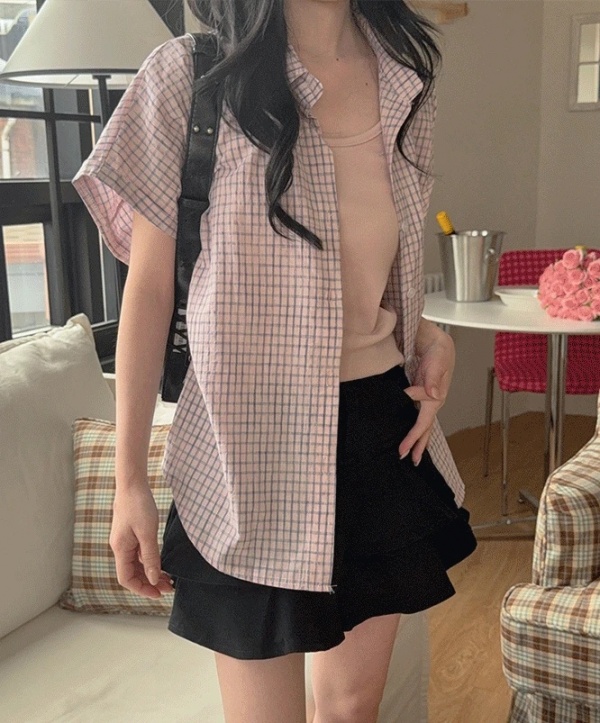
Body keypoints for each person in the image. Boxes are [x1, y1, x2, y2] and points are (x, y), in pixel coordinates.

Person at [73, 0, 478, 721]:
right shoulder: (189, 78)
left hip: (378, 430)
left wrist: (428, 337)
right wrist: (128, 478)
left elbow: (372, 262)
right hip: (246, 447)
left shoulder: (405, 77)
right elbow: (149, 287)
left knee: (351, 709)